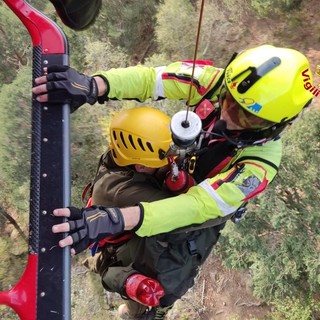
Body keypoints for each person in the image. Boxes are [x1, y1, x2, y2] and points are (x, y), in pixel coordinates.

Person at [32, 44, 314, 319]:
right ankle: (108, 259)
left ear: (274, 126)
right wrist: (95, 85)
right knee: (121, 179)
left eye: (245, 116)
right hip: (176, 172)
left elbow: (196, 206)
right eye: (227, 100)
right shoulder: (215, 82)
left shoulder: (257, 166)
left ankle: (140, 311)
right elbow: (152, 80)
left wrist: (117, 219)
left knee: (160, 276)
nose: (225, 116)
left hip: (197, 210)